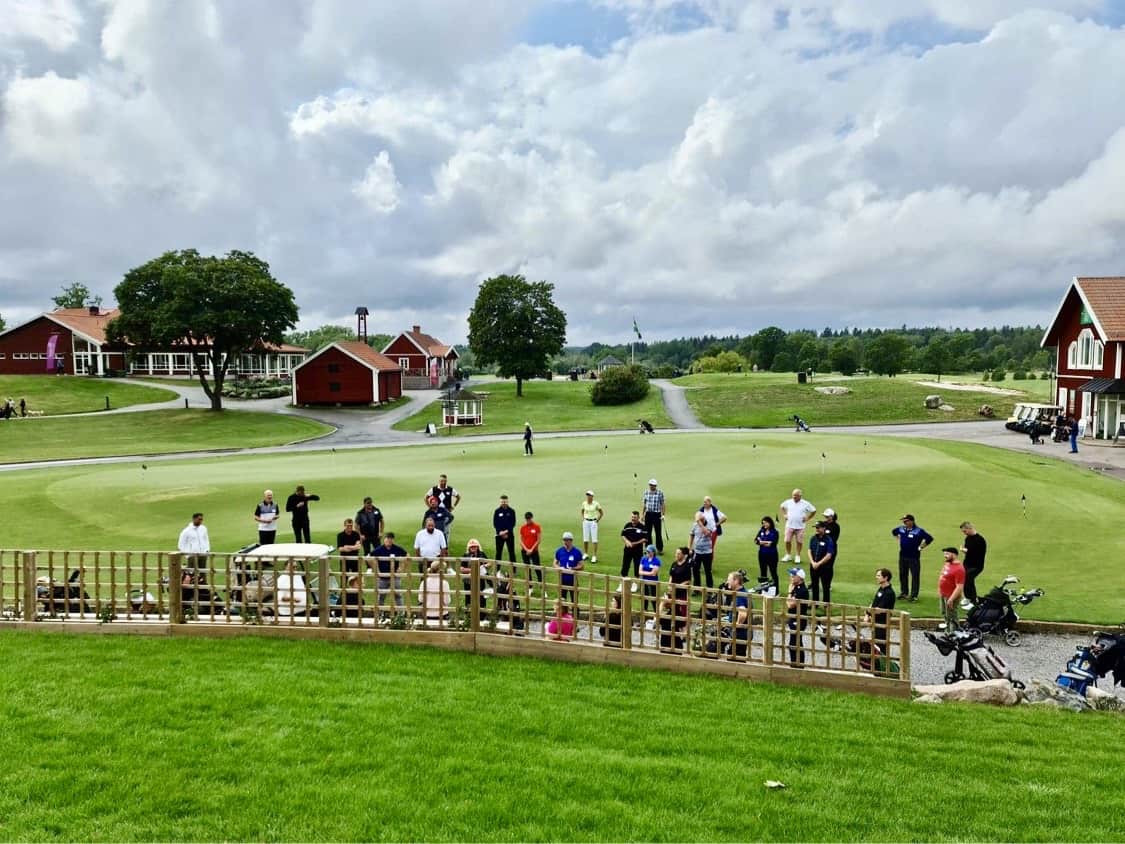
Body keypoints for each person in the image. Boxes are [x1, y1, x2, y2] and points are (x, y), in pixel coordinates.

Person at [891, 514, 933, 602]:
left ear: (911, 521)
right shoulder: (901, 529)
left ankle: (914, 595)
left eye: (906, 521)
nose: (904, 522)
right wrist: (898, 540)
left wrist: (921, 547)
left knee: (915, 576)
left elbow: (929, 538)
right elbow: (894, 532)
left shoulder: (918, 531)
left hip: (914, 557)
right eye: (903, 521)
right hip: (902, 556)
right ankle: (904, 593)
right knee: (903, 575)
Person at [371, 532, 407, 616]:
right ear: (384, 539)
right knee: (381, 596)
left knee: (398, 595)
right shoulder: (379, 549)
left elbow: (407, 556)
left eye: (390, 539)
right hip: (382, 577)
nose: (388, 540)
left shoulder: (397, 549)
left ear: (393, 540)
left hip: (395, 577)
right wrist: (376, 570)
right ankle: (379, 614)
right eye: (387, 538)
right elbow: (369, 557)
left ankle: (401, 614)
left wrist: (402, 568)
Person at [778, 488, 816, 563]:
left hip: (800, 526)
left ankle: (797, 556)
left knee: (799, 541)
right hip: (789, 525)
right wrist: (784, 514)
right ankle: (788, 555)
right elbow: (782, 506)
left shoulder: (805, 503)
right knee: (787, 541)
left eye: (796, 495)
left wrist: (808, 518)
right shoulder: (788, 502)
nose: (794, 497)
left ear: (800, 496)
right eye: (793, 495)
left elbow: (814, 510)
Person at [959, 521, 988, 609]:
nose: (964, 533)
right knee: (965, 580)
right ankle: (968, 598)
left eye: (965, 531)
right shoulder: (968, 538)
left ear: (969, 528)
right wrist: (965, 550)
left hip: (976, 565)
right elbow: (968, 550)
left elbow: (977, 553)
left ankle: (974, 601)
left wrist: (965, 550)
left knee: (969, 580)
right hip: (967, 563)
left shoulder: (980, 540)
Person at [807, 521, 836, 604]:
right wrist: (812, 562)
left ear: (824, 528)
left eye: (818, 527)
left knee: (825, 587)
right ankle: (815, 603)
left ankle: (826, 604)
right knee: (814, 585)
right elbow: (809, 551)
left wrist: (818, 563)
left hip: (825, 567)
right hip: (813, 566)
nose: (816, 529)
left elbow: (829, 555)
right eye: (816, 527)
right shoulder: (813, 538)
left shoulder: (828, 540)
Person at [786, 566, 810, 667]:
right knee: (795, 642)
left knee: (795, 643)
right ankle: (796, 664)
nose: (791, 577)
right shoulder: (796, 587)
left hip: (798, 620)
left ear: (799, 577)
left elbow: (790, 604)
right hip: (794, 618)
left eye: (793, 575)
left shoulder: (802, 590)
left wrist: (789, 592)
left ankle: (797, 664)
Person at [867, 568, 896, 652]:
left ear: (885, 578)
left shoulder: (889, 593)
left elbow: (879, 609)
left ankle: (883, 663)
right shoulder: (881, 589)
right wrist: (867, 614)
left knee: (881, 644)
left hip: (882, 622)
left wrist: (870, 612)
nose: (876, 577)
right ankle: (875, 662)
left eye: (879, 575)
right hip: (876, 620)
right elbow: (874, 602)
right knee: (875, 643)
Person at [723, 570, 751, 658]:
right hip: (743, 633)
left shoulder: (740, 595)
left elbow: (743, 614)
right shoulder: (742, 592)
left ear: (736, 581)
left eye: (729, 579)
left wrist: (736, 626)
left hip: (740, 634)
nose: (727, 582)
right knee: (738, 655)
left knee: (735, 657)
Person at [553, 531, 585, 606]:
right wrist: (559, 568)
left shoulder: (577, 552)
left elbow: (582, 566)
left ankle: (575, 616)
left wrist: (573, 568)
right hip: (562, 579)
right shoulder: (559, 551)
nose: (565, 542)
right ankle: (562, 617)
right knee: (562, 601)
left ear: (571, 540)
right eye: (564, 540)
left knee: (574, 601)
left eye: (567, 540)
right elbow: (554, 563)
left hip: (573, 580)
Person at [938, 547, 966, 630]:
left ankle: (954, 634)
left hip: (950, 596)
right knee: (945, 614)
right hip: (943, 594)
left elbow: (959, 587)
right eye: (944, 554)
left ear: (954, 555)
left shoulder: (959, 569)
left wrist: (951, 599)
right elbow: (942, 575)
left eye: (947, 554)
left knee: (952, 616)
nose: (945, 556)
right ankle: (948, 632)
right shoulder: (947, 564)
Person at [459, 538, 489, 610]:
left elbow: (489, 563)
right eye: (471, 546)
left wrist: (484, 566)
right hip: (468, 580)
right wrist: (472, 570)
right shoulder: (465, 555)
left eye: (475, 546)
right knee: (469, 596)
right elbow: (461, 568)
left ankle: (482, 612)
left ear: (478, 547)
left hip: (480, 579)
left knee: (481, 595)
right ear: (469, 547)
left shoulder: (482, 554)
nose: (473, 548)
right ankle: (468, 613)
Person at [689, 512, 715, 588]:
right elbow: (691, 535)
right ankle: (697, 588)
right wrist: (689, 548)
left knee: (708, 571)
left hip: (707, 552)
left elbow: (707, 533)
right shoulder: (695, 525)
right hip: (697, 552)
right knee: (695, 570)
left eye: (700, 520)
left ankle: (710, 588)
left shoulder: (710, 524)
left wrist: (700, 523)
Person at [620, 510, 649, 579]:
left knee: (637, 566)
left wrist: (634, 543)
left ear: (638, 518)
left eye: (635, 517)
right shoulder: (627, 525)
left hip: (638, 551)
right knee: (625, 565)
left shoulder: (642, 527)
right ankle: (623, 581)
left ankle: (635, 583)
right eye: (632, 517)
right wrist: (627, 541)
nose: (633, 518)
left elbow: (645, 539)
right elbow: (623, 535)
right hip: (627, 549)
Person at [641, 478, 666, 553]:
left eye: (653, 485)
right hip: (648, 514)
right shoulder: (646, 492)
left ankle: (660, 549)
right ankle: (649, 548)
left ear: (656, 485)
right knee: (647, 532)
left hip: (656, 514)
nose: (652, 486)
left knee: (658, 532)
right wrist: (642, 514)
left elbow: (663, 504)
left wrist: (663, 514)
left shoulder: (660, 493)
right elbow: (644, 504)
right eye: (651, 485)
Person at [755, 516, 780, 591]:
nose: (764, 524)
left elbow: (772, 544)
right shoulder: (761, 531)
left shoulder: (775, 532)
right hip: (762, 555)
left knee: (773, 572)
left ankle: (776, 590)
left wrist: (762, 542)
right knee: (763, 572)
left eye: (765, 523)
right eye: (763, 523)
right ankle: (764, 589)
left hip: (772, 555)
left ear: (770, 522)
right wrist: (765, 542)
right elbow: (756, 541)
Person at [698, 496, 727, 560]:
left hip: (713, 531)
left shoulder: (714, 510)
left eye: (705, 502)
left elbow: (724, 517)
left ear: (710, 502)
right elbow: (697, 519)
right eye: (704, 502)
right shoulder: (701, 510)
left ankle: (709, 563)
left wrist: (716, 524)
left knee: (710, 547)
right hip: (704, 532)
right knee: (702, 546)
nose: (704, 503)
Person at [520, 511, 543, 588]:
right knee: (527, 569)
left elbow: (538, 540)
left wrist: (531, 549)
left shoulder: (537, 527)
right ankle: (530, 587)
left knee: (537, 568)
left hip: (534, 551)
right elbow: (521, 541)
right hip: (525, 551)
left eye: (529, 519)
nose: (528, 521)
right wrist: (526, 549)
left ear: (531, 518)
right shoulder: (523, 528)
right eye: (527, 519)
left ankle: (541, 586)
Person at [579, 490, 603, 563]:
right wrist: (583, 518)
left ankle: (594, 556)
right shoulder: (584, 503)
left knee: (594, 540)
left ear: (592, 496)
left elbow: (601, 513)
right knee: (585, 539)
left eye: (589, 495)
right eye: (587, 495)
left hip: (593, 522)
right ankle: (586, 554)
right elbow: (582, 511)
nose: (588, 496)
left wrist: (597, 521)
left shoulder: (596, 504)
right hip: (586, 521)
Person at [638, 544, 662, 621]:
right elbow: (639, 571)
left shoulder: (657, 561)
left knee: (654, 599)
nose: (647, 553)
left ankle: (656, 616)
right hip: (644, 582)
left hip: (653, 583)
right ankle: (644, 617)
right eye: (646, 551)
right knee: (644, 599)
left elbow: (654, 573)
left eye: (649, 552)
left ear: (653, 552)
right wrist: (648, 573)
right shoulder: (643, 559)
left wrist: (644, 572)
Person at [493, 494, 517, 562]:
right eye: (502, 502)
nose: (504, 503)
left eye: (505, 502)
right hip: (499, 535)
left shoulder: (511, 511)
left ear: (507, 501)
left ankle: (513, 571)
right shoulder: (497, 511)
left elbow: (513, 523)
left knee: (511, 552)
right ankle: (497, 570)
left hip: (509, 535)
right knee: (498, 553)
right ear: (500, 502)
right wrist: (500, 532)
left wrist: (506, 532)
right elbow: (495, 523)